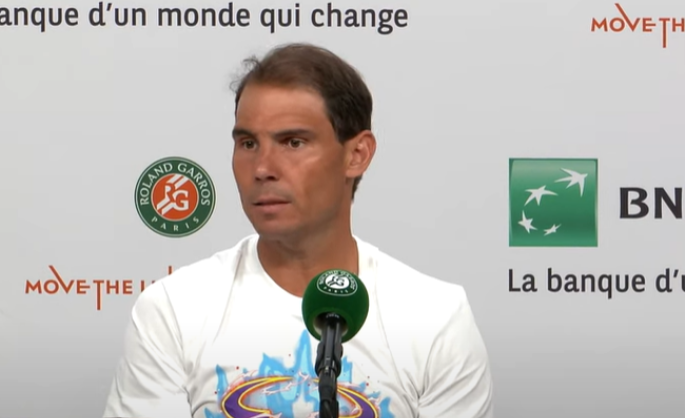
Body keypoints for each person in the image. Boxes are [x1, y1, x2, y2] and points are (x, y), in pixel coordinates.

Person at [102, 43, 494, 418]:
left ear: (357, 155)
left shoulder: (435, 318)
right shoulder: (174, 309)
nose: (262, 168)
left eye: (293, 142)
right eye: (248, 143)